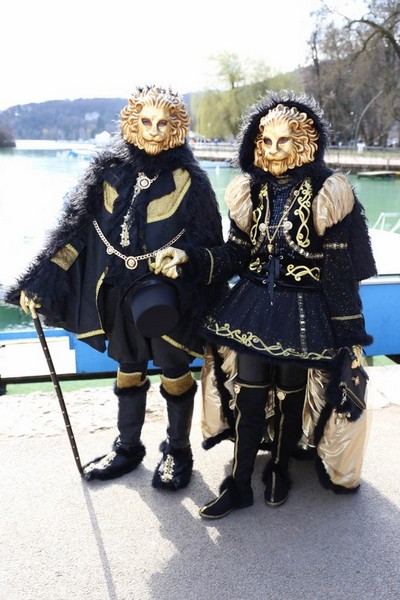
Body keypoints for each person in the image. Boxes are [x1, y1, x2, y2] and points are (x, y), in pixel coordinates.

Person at [154, 90, 377, 516]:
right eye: (266, 141)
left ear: (303, 143)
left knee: (292, 393)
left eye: (283, 141)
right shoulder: (247, 191)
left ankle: (279, 466)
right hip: (252, 303)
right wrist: (191, 258)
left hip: (304, 309)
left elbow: (339, 273)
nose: (273, 150)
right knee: (250, 393)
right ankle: (238, 484)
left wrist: (350, 334)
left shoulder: (330, 192)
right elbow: (235, 254)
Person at [5, 85, 224, 490]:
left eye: (164, 123)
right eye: (146, 122)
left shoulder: (191, 181)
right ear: (131, 123)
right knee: (128, 366)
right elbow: (74, 235)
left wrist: (187, 259)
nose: (155, 131)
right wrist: (40, 282)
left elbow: (214, 247)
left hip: (166, 294)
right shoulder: (107, 173)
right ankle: (127, 447)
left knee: (174, 370)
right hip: (115, 291)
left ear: (177, 127)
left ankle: (178, 451)